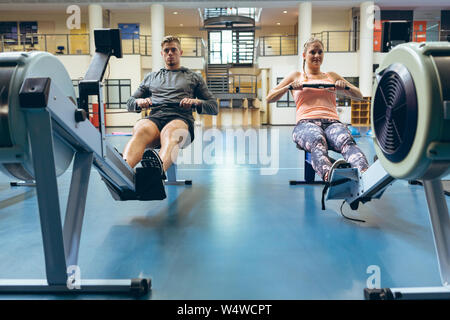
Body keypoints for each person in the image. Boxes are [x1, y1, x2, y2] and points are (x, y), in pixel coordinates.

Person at [266, 37, 369, 182]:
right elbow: (269, 97)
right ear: (304, 55)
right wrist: (289, 87)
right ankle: (331, 178)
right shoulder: (296, 76)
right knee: (317, 140)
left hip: (332, 123)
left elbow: (359, 95)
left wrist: (345, 87)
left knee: (346, 140)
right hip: (305, 124)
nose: (317, 56)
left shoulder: (331, 76)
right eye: (312, 52)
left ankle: (365, 176)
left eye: (320, 52)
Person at [123, 35, 218, 178]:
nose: (170, 53)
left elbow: (213, 107)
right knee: (141, 128)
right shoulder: (151, 77)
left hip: (181, 119)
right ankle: (122, 173)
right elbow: (130, 102)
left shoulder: (193, 77)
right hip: (155, 118)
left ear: (180, 52)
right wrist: (138, 102)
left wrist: (195, 102)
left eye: (173, 50)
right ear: (162, 54)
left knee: (170, 132)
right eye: (166, 50)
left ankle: (153, 177)